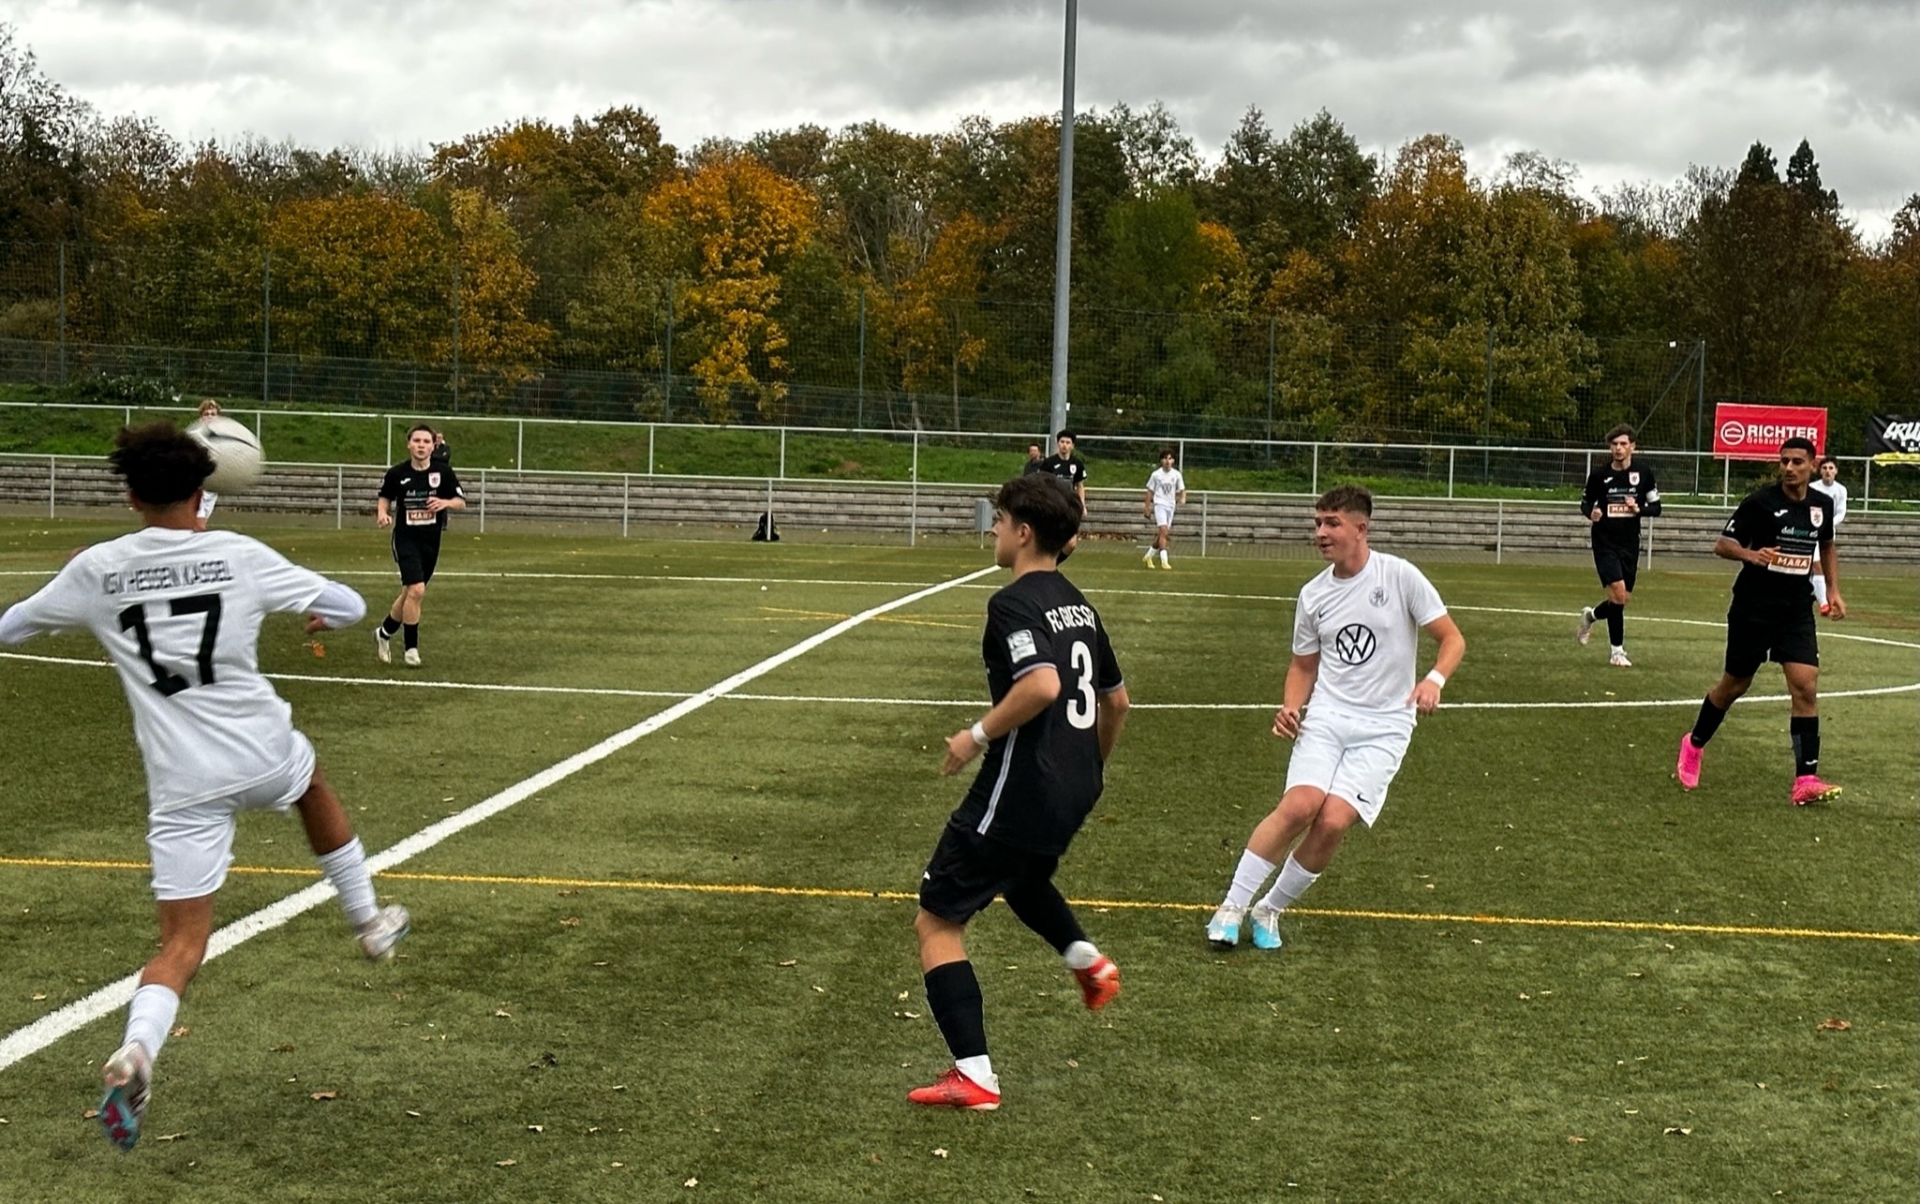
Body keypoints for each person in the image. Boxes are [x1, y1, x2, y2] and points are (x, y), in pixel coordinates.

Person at [0, 423, 410, 1153]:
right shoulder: (238, 554)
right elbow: (348, 604)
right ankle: (368, 922)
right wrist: (321, 612)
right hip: (261, 750)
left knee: (181, 943)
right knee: (310, 783)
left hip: (181, 782)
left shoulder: (98, 569)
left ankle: (139, 1049)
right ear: (203, 492)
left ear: (130, 497)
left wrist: (85, 580)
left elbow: (10, 628)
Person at [908, 473, 1130, 1111]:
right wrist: (1088, 769)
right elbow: (1117, 702)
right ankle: (1087, 962)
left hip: (1021, 785)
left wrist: (973, 736)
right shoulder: (1079, 605)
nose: (994, 531)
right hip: (1074, 785)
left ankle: (974, 1075)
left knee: (937, 921)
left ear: (1025, 532)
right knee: (1023, 876)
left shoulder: (1013, 603)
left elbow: (1042, 686)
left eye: (1000, 521)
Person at [1206, 485, 1465, 951]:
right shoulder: (1314, 594)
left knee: (1332, 821)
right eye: (1318, 523)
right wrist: (1291, 706)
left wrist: (1434, 680)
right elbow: (1303, 665)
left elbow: (1452, 639)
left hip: (1386, 726)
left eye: (1332, 523)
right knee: (1300, 806)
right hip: (1328, 716)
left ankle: (1270, 909)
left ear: (1361, 528)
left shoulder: (1400, 576)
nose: (1321, 533)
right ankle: (1231, 907)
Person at [1676, 438, 1844, 805]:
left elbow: (1827, 545)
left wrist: (1832, 590)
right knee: (1735, 685)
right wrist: (1751, 555)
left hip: (1795, 610)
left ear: (1813, 465)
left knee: (1805, 686)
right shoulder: (1760, 502)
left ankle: (1805, 779)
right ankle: (1694, 742)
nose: (1789, 468)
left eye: (1797, 462)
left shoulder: (1822, 504)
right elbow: (1722, 544)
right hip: (1753, 608)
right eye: (1784, 461)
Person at [375, 425, 466, 667]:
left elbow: (460, 502)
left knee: (410, 593)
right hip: (406, 539)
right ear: (409, 444)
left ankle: (383, 633)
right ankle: (411, 649)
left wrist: (445, 503)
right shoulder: (397, 473)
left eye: (426, 441)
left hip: (431, 541)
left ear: (433, 446)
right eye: (417, 441)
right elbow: (385, 496)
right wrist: (382, 513)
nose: (421, 445)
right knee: (416, 590)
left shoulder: (443, 472)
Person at [1575, 425, 1661, 666]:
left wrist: (1638, 508)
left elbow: (1657, 508)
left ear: (1632, 446)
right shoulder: (1599, 475)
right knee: (1618, 592)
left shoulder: (1644, 473)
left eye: (1623, 444)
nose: (1618, 448)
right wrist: (1591, 513)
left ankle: (1590, 616)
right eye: (1614, 444)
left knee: (1620, 600)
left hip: (1630, 543)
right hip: (1605, 542)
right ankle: (1617, 652)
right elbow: (1585, 503)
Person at [1809, 455, 1847, 616]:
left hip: (1828, 533)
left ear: (1836, 471)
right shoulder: (1812, 488)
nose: (1828, 471)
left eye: (1831, 468)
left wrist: (1827, 526)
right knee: (1815, 564)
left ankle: (1818, 593)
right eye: (1824, 468)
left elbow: (1841, 513)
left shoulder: (1841, 490)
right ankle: (1824, 603)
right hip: (1811, 531)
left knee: (1824, 567)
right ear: (1820, 471)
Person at [1142, 448, 1187, 569]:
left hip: (1170, 506)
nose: (1167, 461)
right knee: (1163, 531)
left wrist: (1183, 498)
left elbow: (1182, 489)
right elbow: (1149, 492)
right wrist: (1147, 507)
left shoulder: (1176, 474)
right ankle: (1164, 561)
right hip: (1159, 504)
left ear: (1173, 461)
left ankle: (1148, 556)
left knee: (1163, 534)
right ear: (1161, 461)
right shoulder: (1156, 475)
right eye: (1165, 458)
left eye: (1170, 458)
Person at [1037, 431, 1088, 514]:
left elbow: (1080, 486)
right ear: (1058, 443)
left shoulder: (1077, 463)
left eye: (1068, 442)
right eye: (1062, 442)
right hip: (1052, 503)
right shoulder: (1048, 462)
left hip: (1069, 504)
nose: (1064, 445)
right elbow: (1041, 484)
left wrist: (1082, 505)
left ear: (1072, 446)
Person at [192, 400, 224, 531]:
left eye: (213, 414)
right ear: (201, 418)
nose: (210, 417)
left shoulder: (223, 438)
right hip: (197, 485)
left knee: (197, 526)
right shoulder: (194, 437)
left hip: (212, 487)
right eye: (206, 414)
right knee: (199, 526)